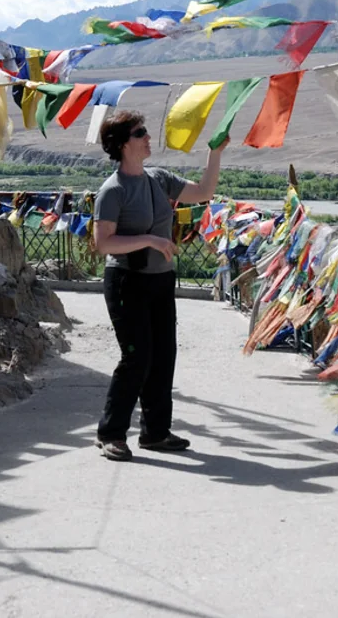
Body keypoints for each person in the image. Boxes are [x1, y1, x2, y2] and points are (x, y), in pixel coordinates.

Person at [92, 110, 228, 461]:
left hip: (160, 281)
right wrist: (150, 240)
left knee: (164, 356)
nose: (148, 137)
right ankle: (111, 433)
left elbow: (203, 192)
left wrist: (215, 154)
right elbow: (104, 244)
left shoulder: (158, 178)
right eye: (140, 133)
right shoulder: (113, 190)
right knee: (136, 357)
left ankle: (155, 432)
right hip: (126, 282)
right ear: (123, 144)